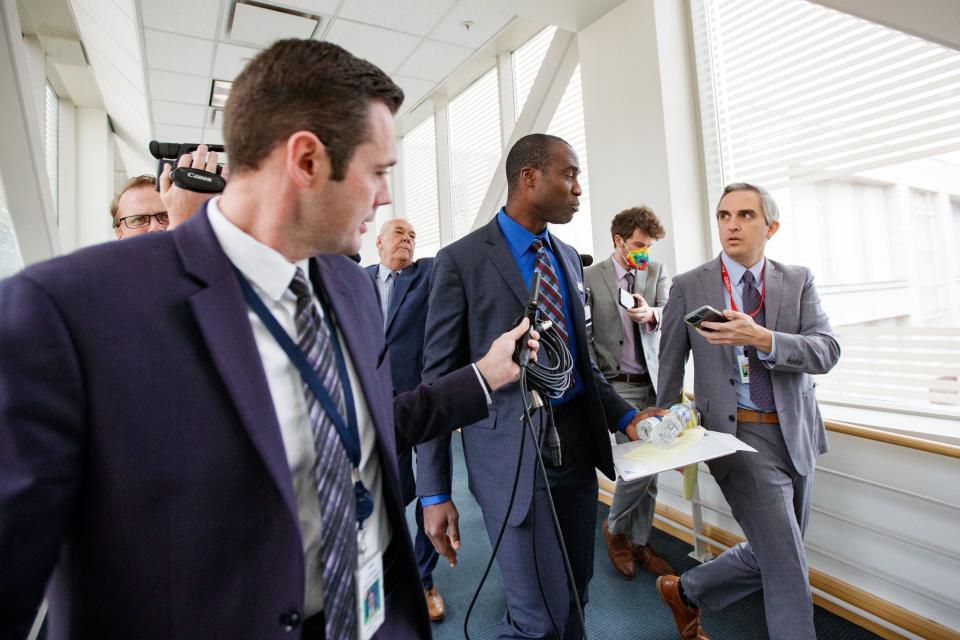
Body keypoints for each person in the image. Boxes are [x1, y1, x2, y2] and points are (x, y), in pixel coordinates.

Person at [0, 40, 538, 640]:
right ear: (306, 160)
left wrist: (483, 377)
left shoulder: (350, 286)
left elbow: (360, 425)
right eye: (377, 171)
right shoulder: (67, 314)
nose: (385, 196)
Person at [417, 133, 662, 639]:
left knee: (575, 595)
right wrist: (434, 491)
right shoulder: (460, 262)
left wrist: (626, 417)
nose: (578, 189)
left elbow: (583, 364)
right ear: (529, 177)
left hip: (574, 451)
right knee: (538, 619)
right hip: (510, 459)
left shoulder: (570, 259)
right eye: (569, 175)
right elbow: (438, 384)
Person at [654, 183, 840, 640]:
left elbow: (827, 351)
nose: (731, 224)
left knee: (777, 549)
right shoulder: (689, 285)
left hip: (796, 434)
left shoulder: (798, 280)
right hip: (737, 440)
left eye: (744, 215)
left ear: (770, 226)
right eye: (723, 215)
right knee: (787, 566)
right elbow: (670, 367)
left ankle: (687, 591)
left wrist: (762, 338)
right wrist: (670, 442)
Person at [584, 206, 674, 580]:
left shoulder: (655, 273)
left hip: (652, 383)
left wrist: (651, 313)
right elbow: (583, 334)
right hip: (616, 384)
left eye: (649, 247)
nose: (644, 254)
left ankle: (638, 538)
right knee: (639, 466)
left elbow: (672, 314)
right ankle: (617, 530)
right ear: (619, 241)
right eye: (638, 246)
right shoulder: (589, 276)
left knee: (653, 467)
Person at [365, 218, 446, 621]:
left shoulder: (427, 274)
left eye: (413, 235)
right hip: (377, 403)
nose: (408, 240)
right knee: (394, 491)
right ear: (378, 242)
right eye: (399, 233)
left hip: (422, 398)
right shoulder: (357, 280)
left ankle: (424, 578)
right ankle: (392, 572)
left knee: (434, 489)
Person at [110, 144, 220, 239]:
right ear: (119, 232)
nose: (156, 228)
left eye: (166, 216)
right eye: (139, 219)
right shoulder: (98, 262)